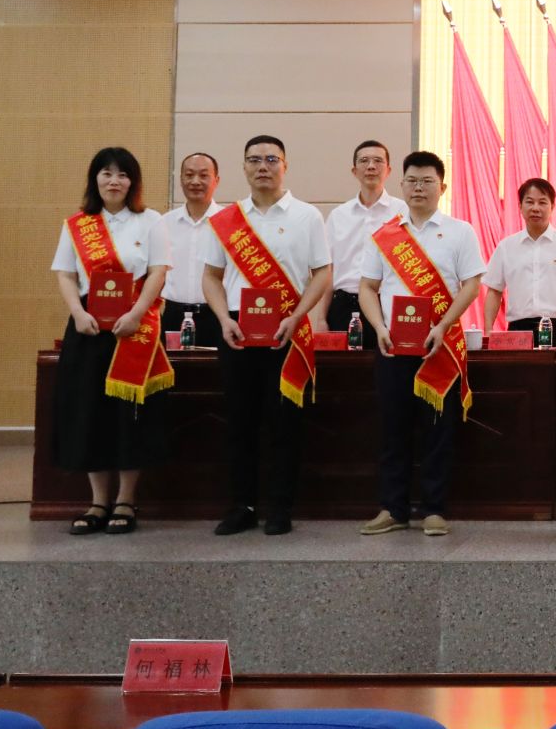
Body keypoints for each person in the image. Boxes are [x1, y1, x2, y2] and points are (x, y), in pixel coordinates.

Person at [200, 135, 333, 536]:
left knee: (284, 422)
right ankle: (241, 506)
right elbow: (211, 277)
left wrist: (298, 315)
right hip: (238, 330)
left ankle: (280, 507)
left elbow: (322, 273)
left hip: (287, 327)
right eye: (254, 159)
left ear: (285, 166)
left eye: (271, 159)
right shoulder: (227, 220)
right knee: (240, 422)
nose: (263, 166)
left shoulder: (307, 216)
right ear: (243, 167)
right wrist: (223, 320)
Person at [357, 151, 486, 538]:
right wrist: (378, 327)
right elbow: (367, 287)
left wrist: (444, 325)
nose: (418, 188)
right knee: (392, 429)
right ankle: (392, 508)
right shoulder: (385, 235)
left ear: (441, 187)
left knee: (438, 430)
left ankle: (434, 509)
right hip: (393, 346)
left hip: (440, 346)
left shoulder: (460, 231)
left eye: (427, 181)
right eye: (412, 181)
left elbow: (472, 284)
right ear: (401, 185)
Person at [49, 146, 170, 536]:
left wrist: (136, 314)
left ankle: (126, 500)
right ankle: (98, 501)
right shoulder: (78, 224)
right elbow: (66, 274)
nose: (114, 181)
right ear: (95, 179)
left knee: (129, 414)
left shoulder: (151, 221)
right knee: (90, 412)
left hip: (134, 325)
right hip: (88, 327)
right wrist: (77, 312)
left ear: (133, 182)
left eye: (122, 174)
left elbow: (157, 272)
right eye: (106, 173)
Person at [481, 177, 556, 345]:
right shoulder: (506, 247)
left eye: (542, 202)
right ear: (520, 207)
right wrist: (488, 331)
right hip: (518, 331)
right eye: (529, 202)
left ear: (552, 207)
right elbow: (494, 290)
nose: (535, 208)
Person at [323, 140, 405, 331]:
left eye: (378, 161)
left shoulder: (403, 212)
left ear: (388, 170)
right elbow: (328, 271)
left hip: (388, 305)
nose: (371, 166)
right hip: (344, 305)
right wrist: (320, 318)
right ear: (354, 171)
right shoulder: (338, 215)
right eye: (364, 161)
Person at [152, 151, 224, 349]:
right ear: (180, 179)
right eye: (189, 175)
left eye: (203, 175)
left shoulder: (229, 222)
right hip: (173, 315)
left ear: (216, 180)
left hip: (218, 316)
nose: (195, 181)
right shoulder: (164, 223)